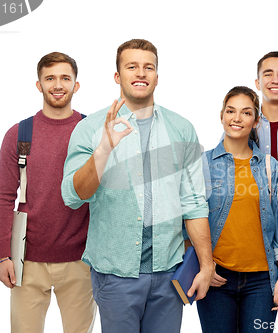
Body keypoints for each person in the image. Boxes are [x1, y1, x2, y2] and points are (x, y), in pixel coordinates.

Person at [61, 39, 214, 333]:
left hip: (169, 272)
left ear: (157, 76)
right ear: (118, 76)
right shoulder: (91, 128)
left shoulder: (182, 129)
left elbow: (194, 203)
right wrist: (103, 150)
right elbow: (73, 196)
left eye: (148, 67)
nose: (141, 73)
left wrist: (206, 265)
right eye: (132, 66)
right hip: (115, 275)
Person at [0, 52, 96, 333]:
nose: (58, 84)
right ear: (39, 84)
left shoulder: (91, 131)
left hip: (81, 260)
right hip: (26, 259)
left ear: (76, 85)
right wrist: (3, 254)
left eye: (65, 78)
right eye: (50, 78)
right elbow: (4, 196)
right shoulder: (19, 134)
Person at [197, 86, 278, 333]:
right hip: (217, 277)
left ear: (256, 120)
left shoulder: (270, 167)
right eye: (231, 111)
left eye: (246, 112)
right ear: (221, 115)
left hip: (261, 280)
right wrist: (203, 265)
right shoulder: (202, 164)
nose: (237, 118)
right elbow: (190, 221)